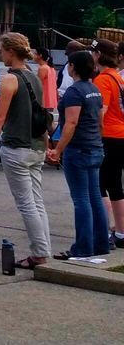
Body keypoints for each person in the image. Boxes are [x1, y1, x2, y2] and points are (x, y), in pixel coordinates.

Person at [0, 32, 50, 269]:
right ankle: (42, 248)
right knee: (37, 201)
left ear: (10, 51)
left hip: (17, 146)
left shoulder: (10, 79)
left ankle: (39, 252)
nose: (0, 54)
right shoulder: (35, 76)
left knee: (26, 203)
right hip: (36, 145)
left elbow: (0, 115)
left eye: (1, 50)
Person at [48, 51, 110, 258]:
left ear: (72, 67)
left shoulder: (74, 92)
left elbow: (71, 123)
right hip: (94, 146)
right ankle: (101, 243)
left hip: (79, 149)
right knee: (95, 197)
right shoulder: (94, 89)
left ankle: (83, 247)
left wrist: (58, 149)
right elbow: (100, 121)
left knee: (81, 199)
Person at [90, 38, 124, 248]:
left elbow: (99, 112)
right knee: (115, 186)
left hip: (108, 136)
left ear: (99, 55)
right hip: (120, 134)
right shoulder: (118, 78)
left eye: (93, 53)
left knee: (99, 185)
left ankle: (103, 230)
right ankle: (120, 232)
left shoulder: (102, 80)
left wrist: (94, 135)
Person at [35, 46, 58, 113]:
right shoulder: (51, 68)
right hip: (51, 100)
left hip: (44, 101)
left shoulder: (43, 68)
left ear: (40, 55)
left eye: (35, 53)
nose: (33, 56)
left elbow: (38, 85)